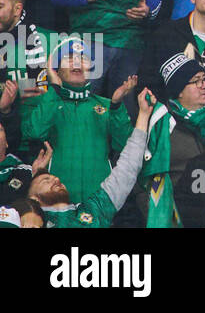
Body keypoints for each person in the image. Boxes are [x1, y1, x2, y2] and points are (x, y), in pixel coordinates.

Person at [24, 87, 155, 228]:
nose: (56, 178)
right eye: (46, 180)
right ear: (34, 198)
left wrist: (143, 114)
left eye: (52, 177)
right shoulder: (29, 221)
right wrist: (34, 175)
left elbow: (127, 168)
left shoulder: (94, 210)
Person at [24, 38, 134, 206]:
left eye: (83, 58)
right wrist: (54, 89)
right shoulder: (48, 102)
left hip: (99, 204)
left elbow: (124, 146)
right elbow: (34, 132)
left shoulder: (107, 105)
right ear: (57, 70)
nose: (77, 62)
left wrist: (117, 105)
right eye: (68, 58)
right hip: (58, 202)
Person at [138, 53, 205, 226]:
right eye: (196, 81)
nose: (204, 86)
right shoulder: (160, 128)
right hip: (178, 216)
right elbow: (141, 185)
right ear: (179, 91)